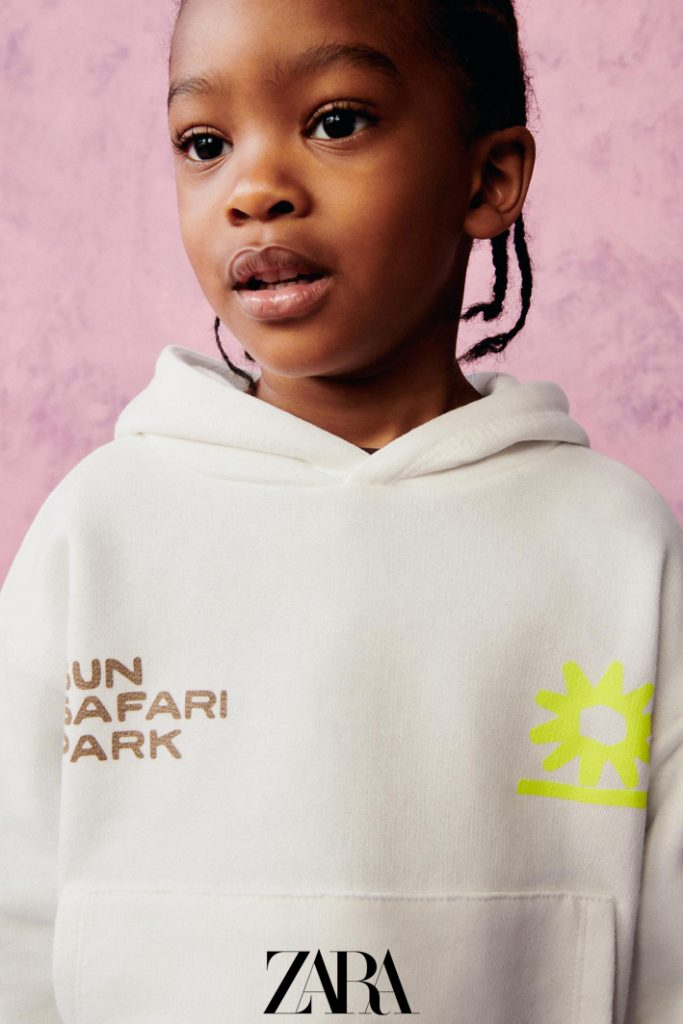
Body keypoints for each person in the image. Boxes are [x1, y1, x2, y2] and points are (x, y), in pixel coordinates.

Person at [1, 0, 681, 1021]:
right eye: (204, 143)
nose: (254, 189)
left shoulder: (613, 546)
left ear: (488, 178)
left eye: (335, 122)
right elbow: (14, 926)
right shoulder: (97, 530)